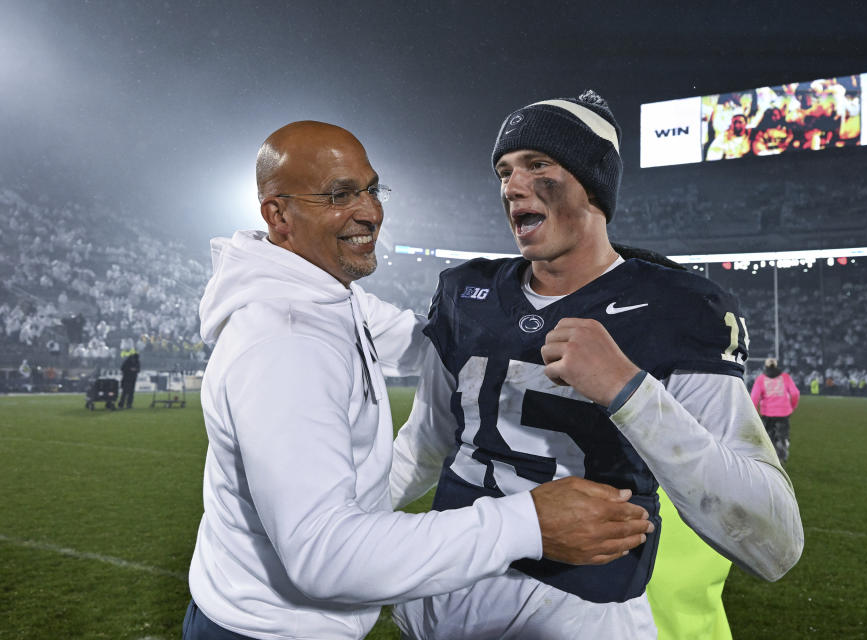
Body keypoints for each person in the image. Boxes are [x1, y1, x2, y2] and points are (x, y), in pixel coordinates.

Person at [182, 121, 655, 640]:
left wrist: (557, 305)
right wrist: (529, 523)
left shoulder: (327, 294)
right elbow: (324, 554)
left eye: (370, 188)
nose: (369, 211)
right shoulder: (286, 343)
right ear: (278, 215)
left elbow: (429, 342)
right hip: (267, 631)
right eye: (340, 195)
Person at [391, 91, 804, 639]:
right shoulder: (465, 290)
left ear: (594, 181)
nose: (512, 187)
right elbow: (423, 445)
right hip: (445, 590)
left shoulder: (680, 306)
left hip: (577, 610)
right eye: (504, 171)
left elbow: (774, 543)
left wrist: (628, 390)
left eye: (538, 164)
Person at [751, 357, 800, 463]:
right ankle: (782, 454)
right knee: (783, 435)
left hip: (767, 413)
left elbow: (754, 397)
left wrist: (754, 412)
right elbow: (795, 393)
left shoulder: (761, 379)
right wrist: (792, 406)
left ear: (766, 366)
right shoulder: (785, 377)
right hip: (783, 412)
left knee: (768, 436)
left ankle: (769, 457)